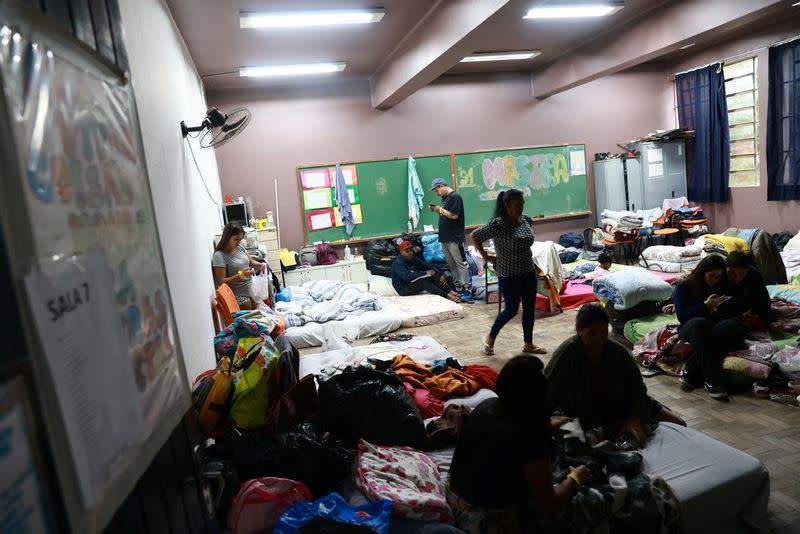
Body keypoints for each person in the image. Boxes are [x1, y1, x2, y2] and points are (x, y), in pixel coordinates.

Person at [448, 355, 593, 531]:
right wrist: (575, 478)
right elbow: (548, 504)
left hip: (454, 499)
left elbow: (508, 428)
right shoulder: (530, 437)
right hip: (483, 520)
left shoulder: (487, 406)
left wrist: (545, 423)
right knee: (588, 503)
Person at [545, 304, 685, 446]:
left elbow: (638, 388)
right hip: (588, 416)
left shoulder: (617, 352)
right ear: (579, 330)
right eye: (592, 333)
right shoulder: (566, 354)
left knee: (680, 425)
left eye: (603, 332)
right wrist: (545, 419)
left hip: (624, 405)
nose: (599, 339)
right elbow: (545, 391)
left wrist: (634, 417)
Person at [472, 189, 545, 355]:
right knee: (512, 309)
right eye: (516, 205)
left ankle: (528, 343)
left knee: (529, 308)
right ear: (506, 205)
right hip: (508, 274)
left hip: (528, 271)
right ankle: (490, 337)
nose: (520, 208)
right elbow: (475, 235)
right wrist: (486, 257)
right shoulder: (499, 224)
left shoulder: (526, 220)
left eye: (522, 204)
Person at [673, 254, 740, 400]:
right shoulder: (683, 287)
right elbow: (682, 316)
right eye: (711, 276)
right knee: (699, 323)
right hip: (690, 327)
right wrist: (705, 305)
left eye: (718, 276)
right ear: (702, 272)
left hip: (712, 327)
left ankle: (692, 370)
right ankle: (712, 380)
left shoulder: (719, 287)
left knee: (731, 326)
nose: (715, 280)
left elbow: (726, 313)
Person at [429, 178, 470, 299]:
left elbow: (454, 215)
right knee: (451, 264)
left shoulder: (455, 197)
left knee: (459, 263)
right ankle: (458, 287)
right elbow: (445, 214)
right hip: (445, 237)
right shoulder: (444, 199)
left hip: (454, 237)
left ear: (442, 186)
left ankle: (467, 289)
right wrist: (437, 210)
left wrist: (438, 209)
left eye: (437, 190)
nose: (436, 193)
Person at [212, 222, 266, 309]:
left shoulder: (240, 247)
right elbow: (221, 282)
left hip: (251, 290)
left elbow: (251, 262)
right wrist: (241, 276)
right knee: (249, 320)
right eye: (236, 239)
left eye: (240, 239)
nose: (239, 242)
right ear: (227, 238)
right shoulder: (219, 256)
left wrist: (260, 265)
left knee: (259, 318)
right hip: (238, 296)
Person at [725, 251, 783, 331]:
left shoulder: (753, 275)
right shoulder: (720, 277)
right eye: (731, 273)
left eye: (741, 274)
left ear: (747, 270)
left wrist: (772, 322)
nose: (736, 278)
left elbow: (763, 301)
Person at [391, 240, 462, 302]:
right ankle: (447, 296)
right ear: (401, 252)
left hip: (411, 282)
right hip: (403, 288)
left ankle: (450, 291)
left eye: (411, 250)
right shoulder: (398, 263)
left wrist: (439, 274)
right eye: (407, 250)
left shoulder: (412, 259)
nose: (410, 252)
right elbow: (407, 277)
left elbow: (428, 266)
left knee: (434, 273)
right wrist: (425, 273)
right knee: (423, 282)